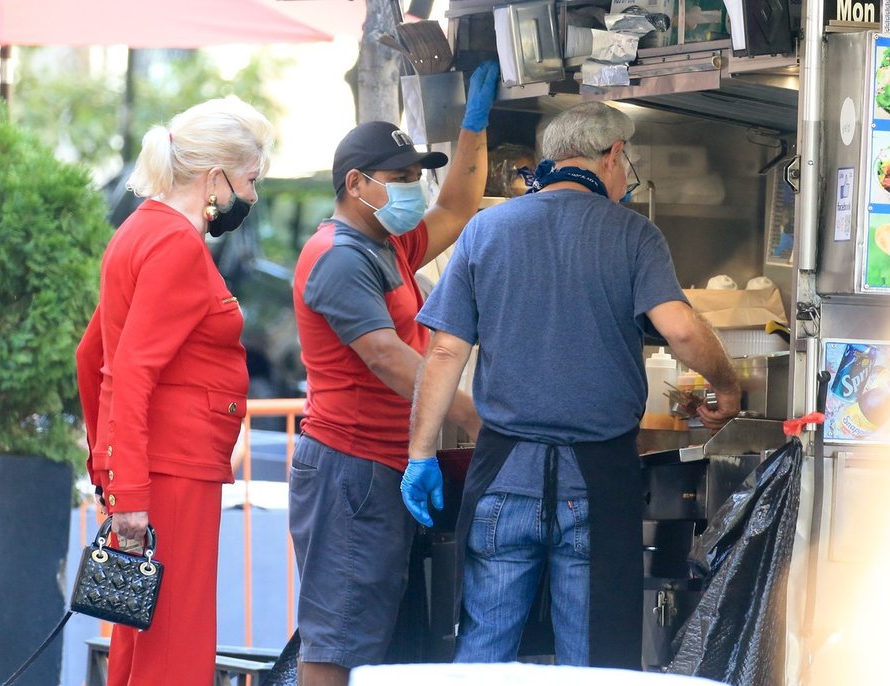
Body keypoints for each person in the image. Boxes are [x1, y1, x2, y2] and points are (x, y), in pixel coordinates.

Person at [404, 101, 741, 669]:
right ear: (612, 156)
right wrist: (727, 386)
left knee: (484, 651)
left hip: (504, 474)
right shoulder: (635, 235)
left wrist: (420, 455)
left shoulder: (487, 229)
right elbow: (681, 329)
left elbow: (443, 351)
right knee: (592, 661)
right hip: (598, 480)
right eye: (626, 160)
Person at [289, 60, 499, 685]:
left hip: (385, 463)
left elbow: (459, 206)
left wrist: (475, 122)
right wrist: (476, 421)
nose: (414, 189)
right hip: (349, 470)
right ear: (357, 183)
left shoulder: (388, 243)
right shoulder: (337, 258)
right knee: (337, 640)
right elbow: (388, 357)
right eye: (401, 178)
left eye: (415, 177)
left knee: (373, 636)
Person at [75, 96, 275, 686]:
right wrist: (127, 482)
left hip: (151, 469)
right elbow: (129, 369)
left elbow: (95, 358)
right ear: (216, 177)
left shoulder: (140, 229)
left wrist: (111, 469)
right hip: (174, 470)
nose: (254, 197)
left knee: (142, 643)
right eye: (251, 180)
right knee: (176, 650)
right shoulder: (178, 244)